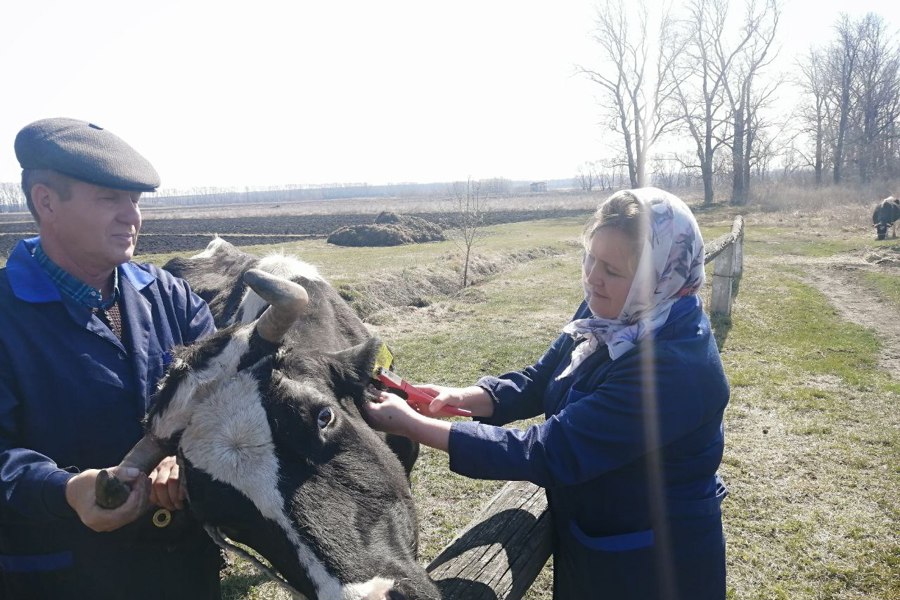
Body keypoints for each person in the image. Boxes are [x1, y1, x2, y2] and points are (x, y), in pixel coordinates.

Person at [365, 187, 729, 599]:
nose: (592, 277)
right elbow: (542, 379)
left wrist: (415, 426)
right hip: (598, 536)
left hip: (657, 561)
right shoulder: (610, 313)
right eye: (590, 256)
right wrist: (464, 396)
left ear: (661, 277)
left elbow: (551, 450)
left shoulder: (674, 367)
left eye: (612, 269)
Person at [0, 118, 222, 599]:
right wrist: (65, 490)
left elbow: (225, 394)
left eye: (135, 201)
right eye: (109, 199)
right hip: (60, 576)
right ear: (46, 201)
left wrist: (186, 458)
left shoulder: (169, 296)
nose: (131, 218)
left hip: (182, 566)